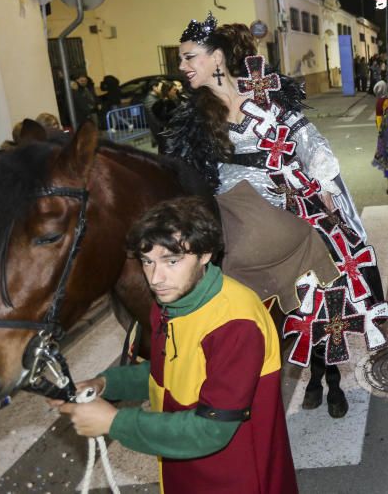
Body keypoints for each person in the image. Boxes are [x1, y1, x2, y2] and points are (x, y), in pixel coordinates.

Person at [163, 13, 388, 415]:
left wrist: (323, 185)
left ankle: (330, 377)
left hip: (289, 195)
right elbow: (188, 175)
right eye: (181, 59)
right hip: (235, 208)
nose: (181, 67)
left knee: (323, 282)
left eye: (189, 57)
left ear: (217, 58)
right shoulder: (194, 116)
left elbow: (309, 140)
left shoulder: (265, 93)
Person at [49, 197, 297, 493]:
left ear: (205, 255)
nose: (156, 278)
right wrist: (105, 384)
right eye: (147, 262)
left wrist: (115, 422)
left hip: (236, 478)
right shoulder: (171, 303)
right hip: (186, 468)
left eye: (172, 261)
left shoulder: (236, 324)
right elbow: (168, 374)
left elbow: (212, 429)